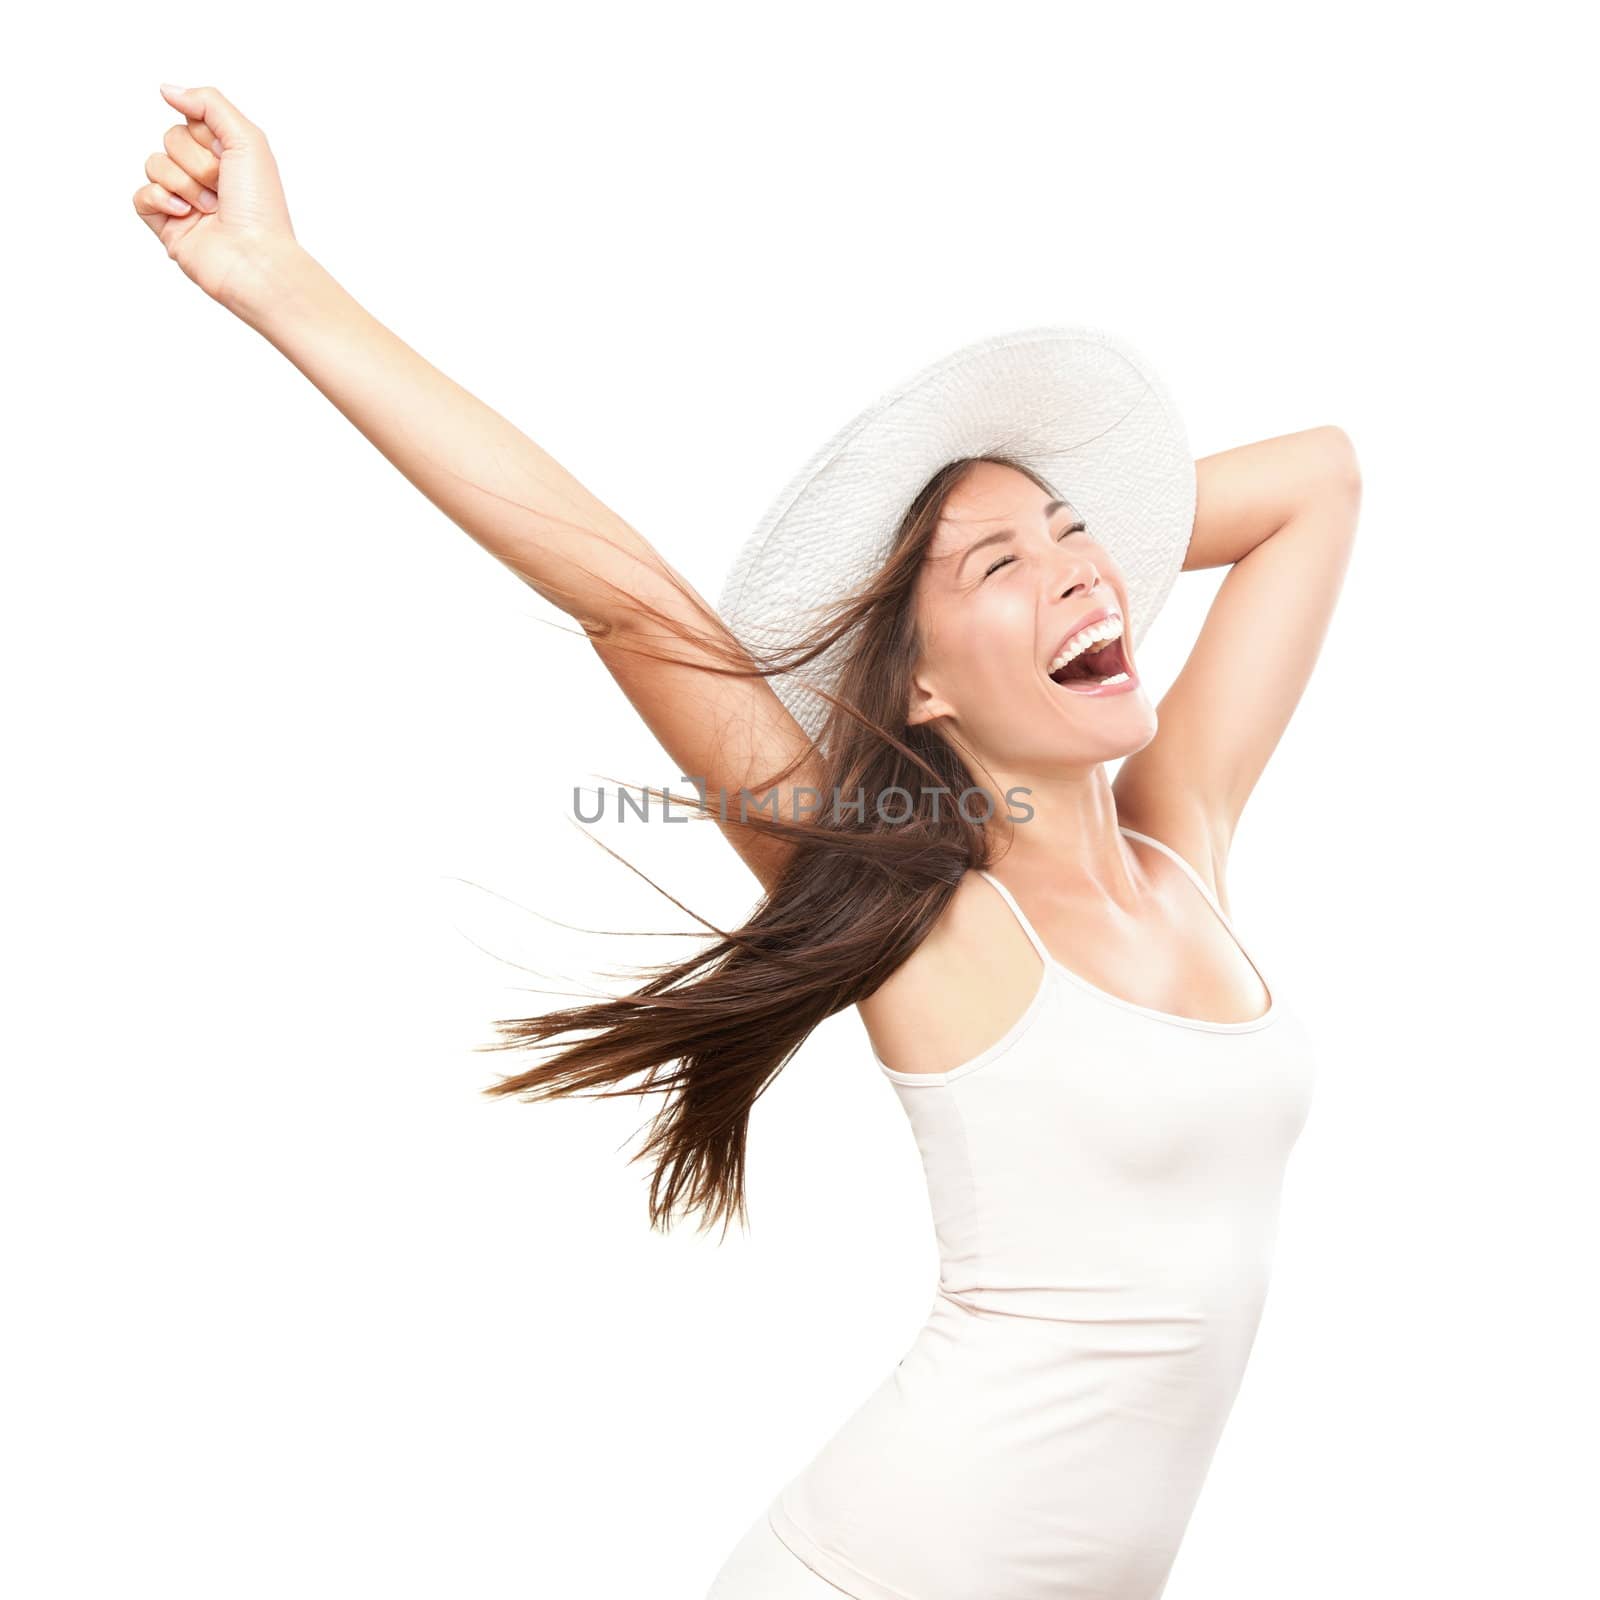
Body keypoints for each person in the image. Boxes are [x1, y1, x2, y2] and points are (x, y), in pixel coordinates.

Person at [134, 84, 1361, 1600]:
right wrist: (276, 276)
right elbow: (620, 596)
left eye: (1074, 527)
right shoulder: (932, 916)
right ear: (916, 686)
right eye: (1001, 557)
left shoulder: (1188, 848)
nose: (1071, 563)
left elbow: (1318, 478)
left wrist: (1058, 569)